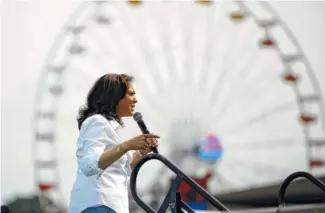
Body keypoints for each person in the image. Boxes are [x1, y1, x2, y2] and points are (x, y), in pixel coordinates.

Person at [68, 73, 160, 213]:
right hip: (98, 204)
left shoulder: (108, 127)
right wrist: (127, 146)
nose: (135, 100)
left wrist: (141, 151)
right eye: (131, 94)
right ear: (115, 96)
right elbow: (90, 165)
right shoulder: (97, 122)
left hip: (109, 205)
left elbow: (121, 169)